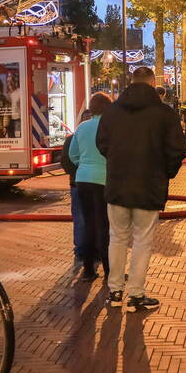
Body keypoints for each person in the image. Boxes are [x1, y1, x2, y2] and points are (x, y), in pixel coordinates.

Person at [96, 66, 186, 312]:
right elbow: (177, 149)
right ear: (152, 83)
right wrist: (165, 172)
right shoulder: (164, 114)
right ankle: (136, 293)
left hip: (117, 184)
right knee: (142, 241)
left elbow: (101, 144)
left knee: (117, 237)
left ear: (131, 81)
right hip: (149, 185)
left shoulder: (112, 112)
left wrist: (116, 163)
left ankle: (115, 291)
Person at [69, 94, 112, 280]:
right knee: (105, 225)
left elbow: (73, 154)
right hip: (104, 179)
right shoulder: (111, 127)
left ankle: (88, 270)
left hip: (83, 180)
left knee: (88, 223)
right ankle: (110, 270)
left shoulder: (82, 127)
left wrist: (84, 166)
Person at [61, 109, 93, 271]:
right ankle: (93, 251)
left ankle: (81, 249)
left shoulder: (72, 139)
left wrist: (77, 172)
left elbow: (66, 161)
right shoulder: (98, 136)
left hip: (77, 183)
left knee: (80, 218)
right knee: (95, 218)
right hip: (96, 183)